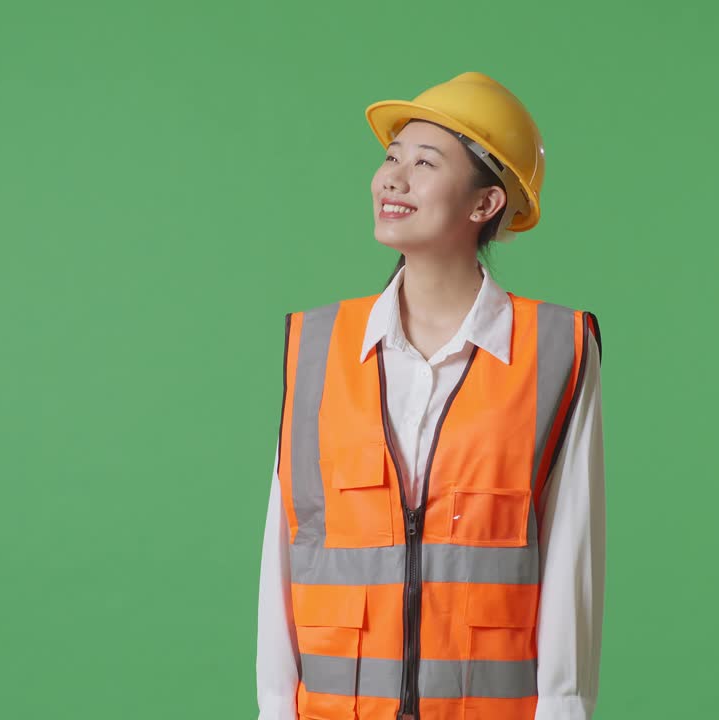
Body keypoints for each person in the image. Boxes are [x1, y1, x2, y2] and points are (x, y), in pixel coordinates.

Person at [256, 71, 605, 720]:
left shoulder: (555, 348)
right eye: (391, 159)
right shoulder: (317, 345)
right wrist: (274, 710)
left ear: (485, 205)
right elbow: (286, 545)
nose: (392, 178)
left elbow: (572, 552)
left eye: (425, 162)